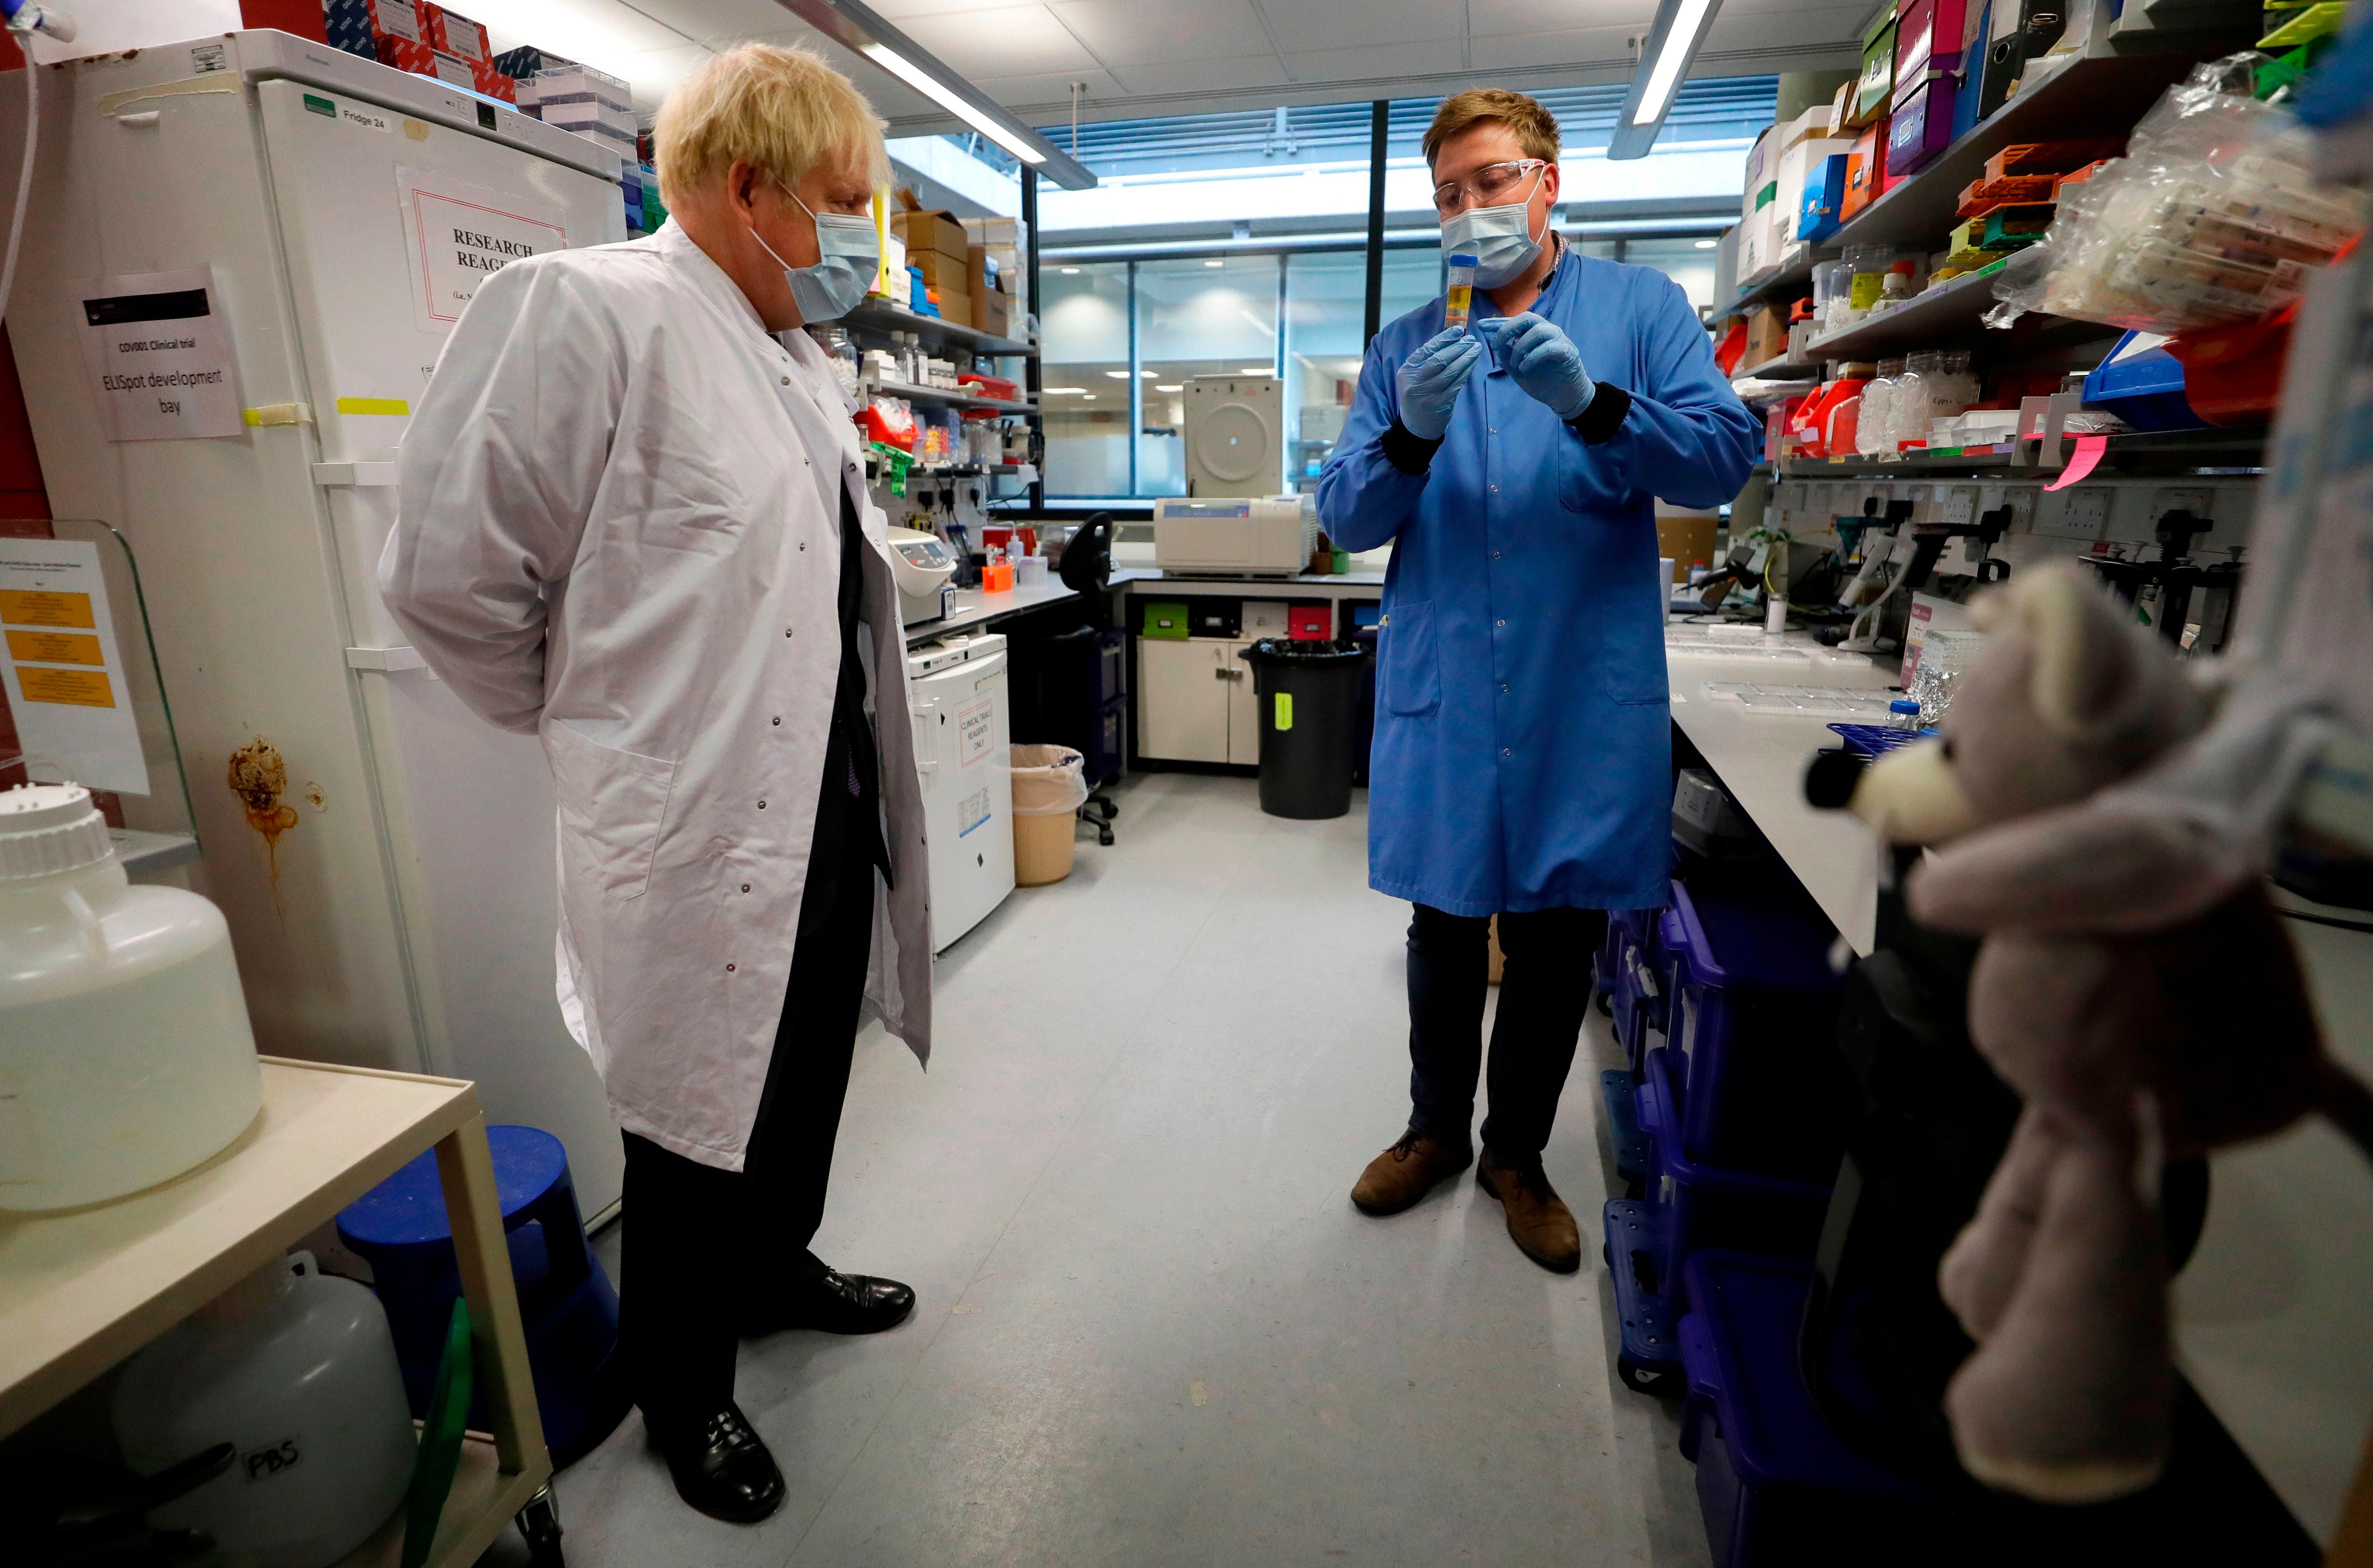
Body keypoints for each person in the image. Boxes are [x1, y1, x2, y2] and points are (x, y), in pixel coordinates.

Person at [379, 44, 932, 1524]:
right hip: (687, 824)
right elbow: (442, 580)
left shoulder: (797, 359)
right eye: (839, 202)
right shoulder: (588, 310)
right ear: (747, 190)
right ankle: (680, 1390)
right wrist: (593, 736)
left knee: (809, 1056)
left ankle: (777, 1269)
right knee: (695, 1112)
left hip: (822, 796)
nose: (856, 238)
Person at [1317, 89, 1758, 1273]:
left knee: (1556, 934)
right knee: (1447, 925)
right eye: (1449, 193)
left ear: (1549, 180)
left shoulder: (1641, 310)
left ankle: (1517, 1153)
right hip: (1453, 684)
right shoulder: (1407, 343)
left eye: (1493, 180)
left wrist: (1597, 404)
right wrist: (1408, 434)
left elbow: (1724, 460)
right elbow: (1347, 516)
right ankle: (1432, 1134)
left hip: (1577, 680)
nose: (1472, 208)